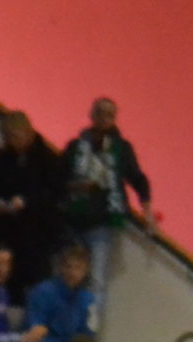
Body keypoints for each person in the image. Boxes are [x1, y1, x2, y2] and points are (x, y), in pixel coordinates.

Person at [56, 96, 155, 309]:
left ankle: (89, 327)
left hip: (102, 222)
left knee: (96, 281)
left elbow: (137, 179)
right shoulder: (76, 146)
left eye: (110, 115)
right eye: (101, 113)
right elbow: (58, 178)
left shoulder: (121, 149)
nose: (105, 118)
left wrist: (147, 211)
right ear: (92, 115)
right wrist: (74, 186)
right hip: (72, 220)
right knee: (66, 277)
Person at [0, 109, 60, 282]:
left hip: (35, 237)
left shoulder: (48, 160)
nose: (11, 141)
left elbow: (55, 195)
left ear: (28, 133)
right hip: (2, 232)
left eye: (15, 136)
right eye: (7, 137)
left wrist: (27, 202)